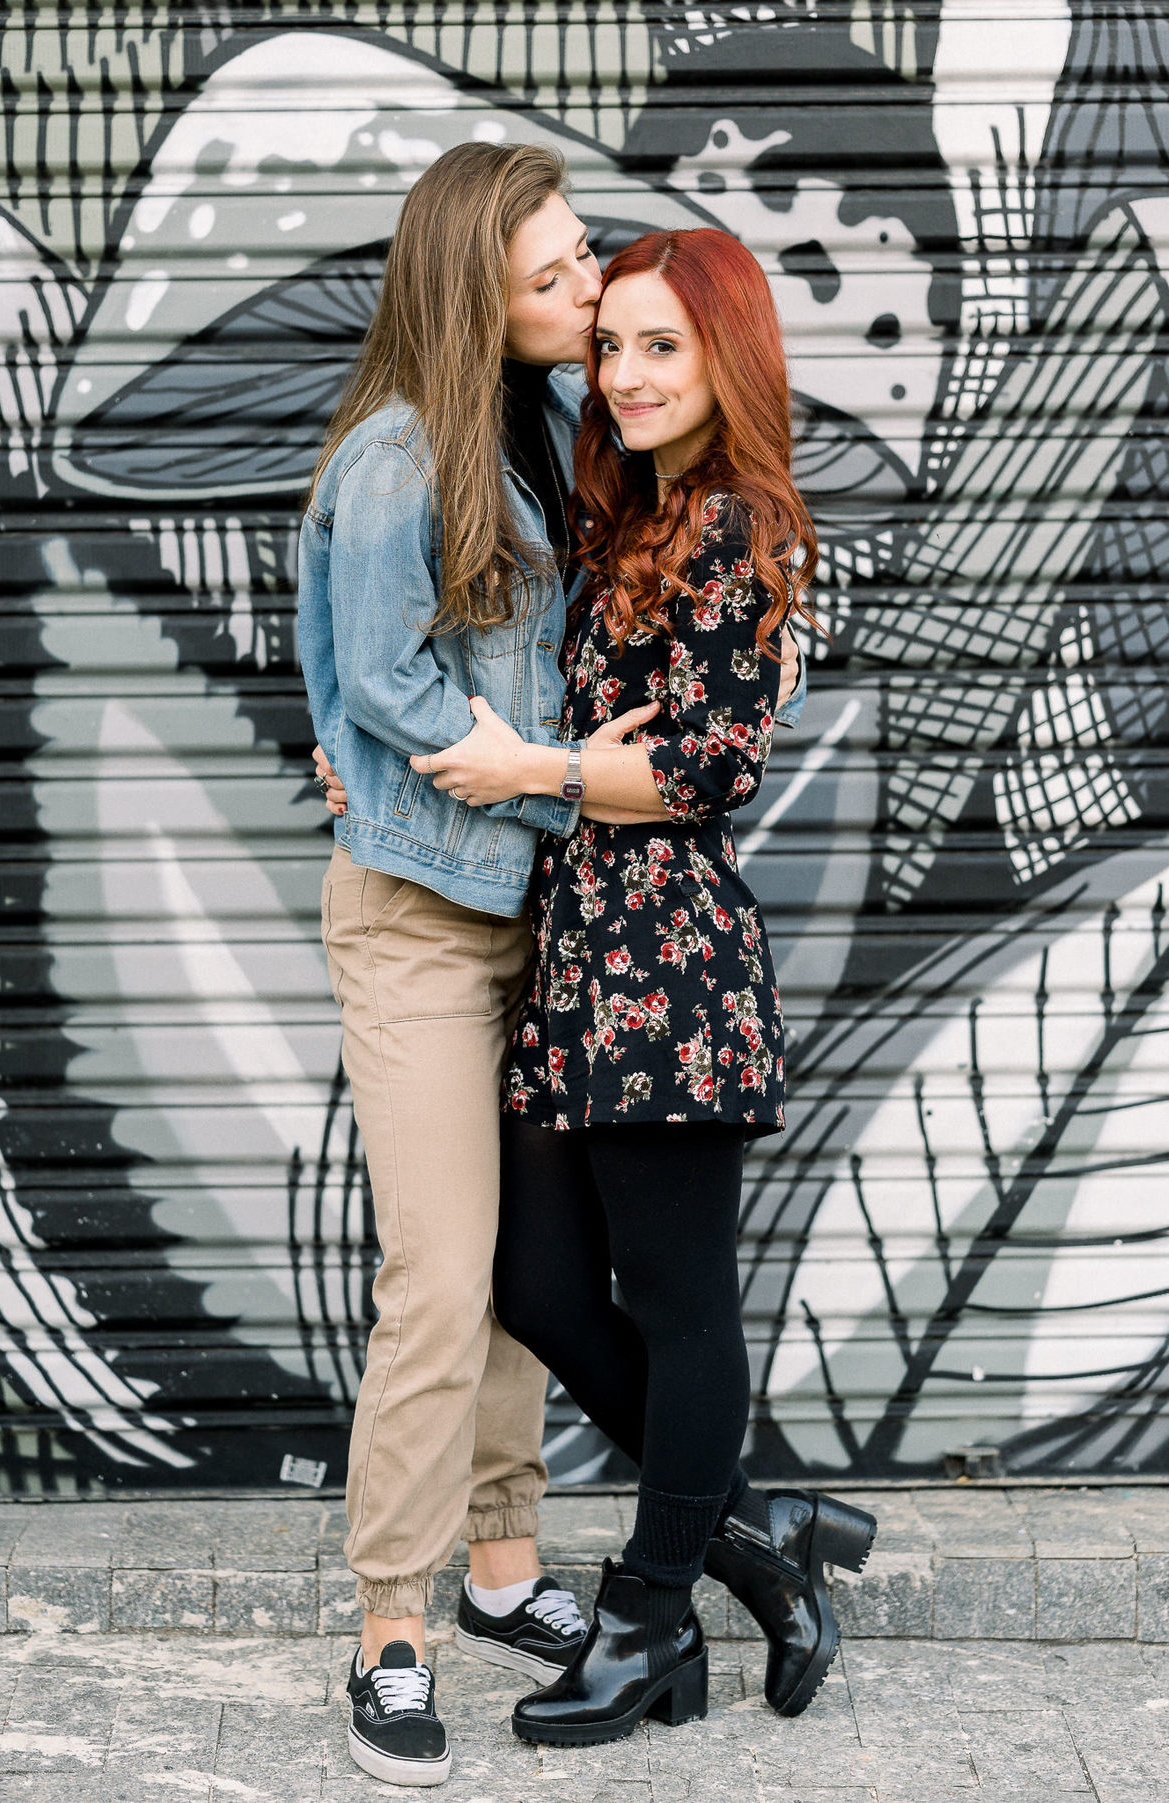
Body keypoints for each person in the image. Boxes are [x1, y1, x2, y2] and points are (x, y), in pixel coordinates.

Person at [299, 141, 808, 1786]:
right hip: (434, 909)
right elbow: (366, 662)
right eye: (560, 276)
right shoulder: (403, 452)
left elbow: (717, 678)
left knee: (540, 1281)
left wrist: (579, 770)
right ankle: (393, 1631)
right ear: (477, 296)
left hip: (563, 915)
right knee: (449, 1277)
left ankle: (511, 1569)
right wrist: (471, 764)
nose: (594, 296)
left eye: (587, 256)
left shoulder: (577, 423)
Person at [412, 226, 875, 1749]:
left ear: (728, 355)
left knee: (679, 1305)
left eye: (661, 345)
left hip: (669, 962)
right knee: (540, 1284)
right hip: (582, 952)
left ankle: (652, 1617)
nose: (621, 372)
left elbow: (705, 766)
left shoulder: (743, 520)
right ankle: (753, 1531)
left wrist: (535, 770)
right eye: (610, 343)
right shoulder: (635, 514)